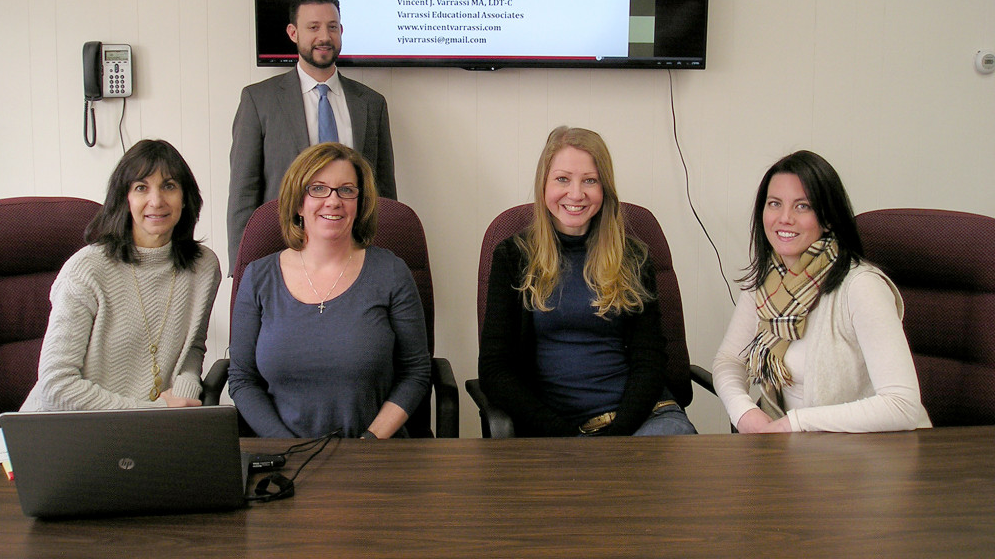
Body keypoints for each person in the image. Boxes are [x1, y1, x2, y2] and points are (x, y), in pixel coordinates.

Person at [478, 126, 696, 437]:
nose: (576, 194)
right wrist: (569, 439)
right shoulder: (514, 257)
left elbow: (650, 360)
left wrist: (617, 436)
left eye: (590, 180)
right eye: (563, 179)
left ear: (604, 188)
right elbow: (494, 371)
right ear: (543, 185)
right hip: (558, 431)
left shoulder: (633, 257)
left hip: (645, 421)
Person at [712, 150, 930, 433]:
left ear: (828, 218)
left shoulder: (861, 287)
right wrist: (744, 412)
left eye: (802, 206)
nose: (784, 218)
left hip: (867, 456)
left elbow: (903, 405)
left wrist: (796, 423)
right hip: (795, 453)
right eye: (775, 203)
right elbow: (729, 361)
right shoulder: (766, 283)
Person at [228, 143, 430, 439]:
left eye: (346, 190)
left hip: (372, 453)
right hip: (284, 458)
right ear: (298, 202)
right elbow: (242, 380)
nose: (333, 201)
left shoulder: (391, 272)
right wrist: (287, 448)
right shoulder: (258, 277)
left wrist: (370, 442)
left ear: (359, 203)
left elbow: (415, 372)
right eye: (318, 189)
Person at [21, 140, 221, 411]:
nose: (156, 200)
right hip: (65, 427)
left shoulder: (204, 267)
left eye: (169, 186)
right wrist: (155, 411)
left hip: (148, 430)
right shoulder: (86, 270)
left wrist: (183, 403)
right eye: (141, 188)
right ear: (124, 199)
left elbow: (192, 349)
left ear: (185, 198)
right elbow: (56, 387)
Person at [227, 0, 397, 272]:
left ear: (341, 30)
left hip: (355, 260)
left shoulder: (371, 103)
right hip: (279, 259)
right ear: (293, 33)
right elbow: (243, 193)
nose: (324, 37)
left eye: (332, 27)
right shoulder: (259, 100)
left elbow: (385, 194)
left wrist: (386, 263)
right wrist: (242, 268)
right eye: (313, 27)